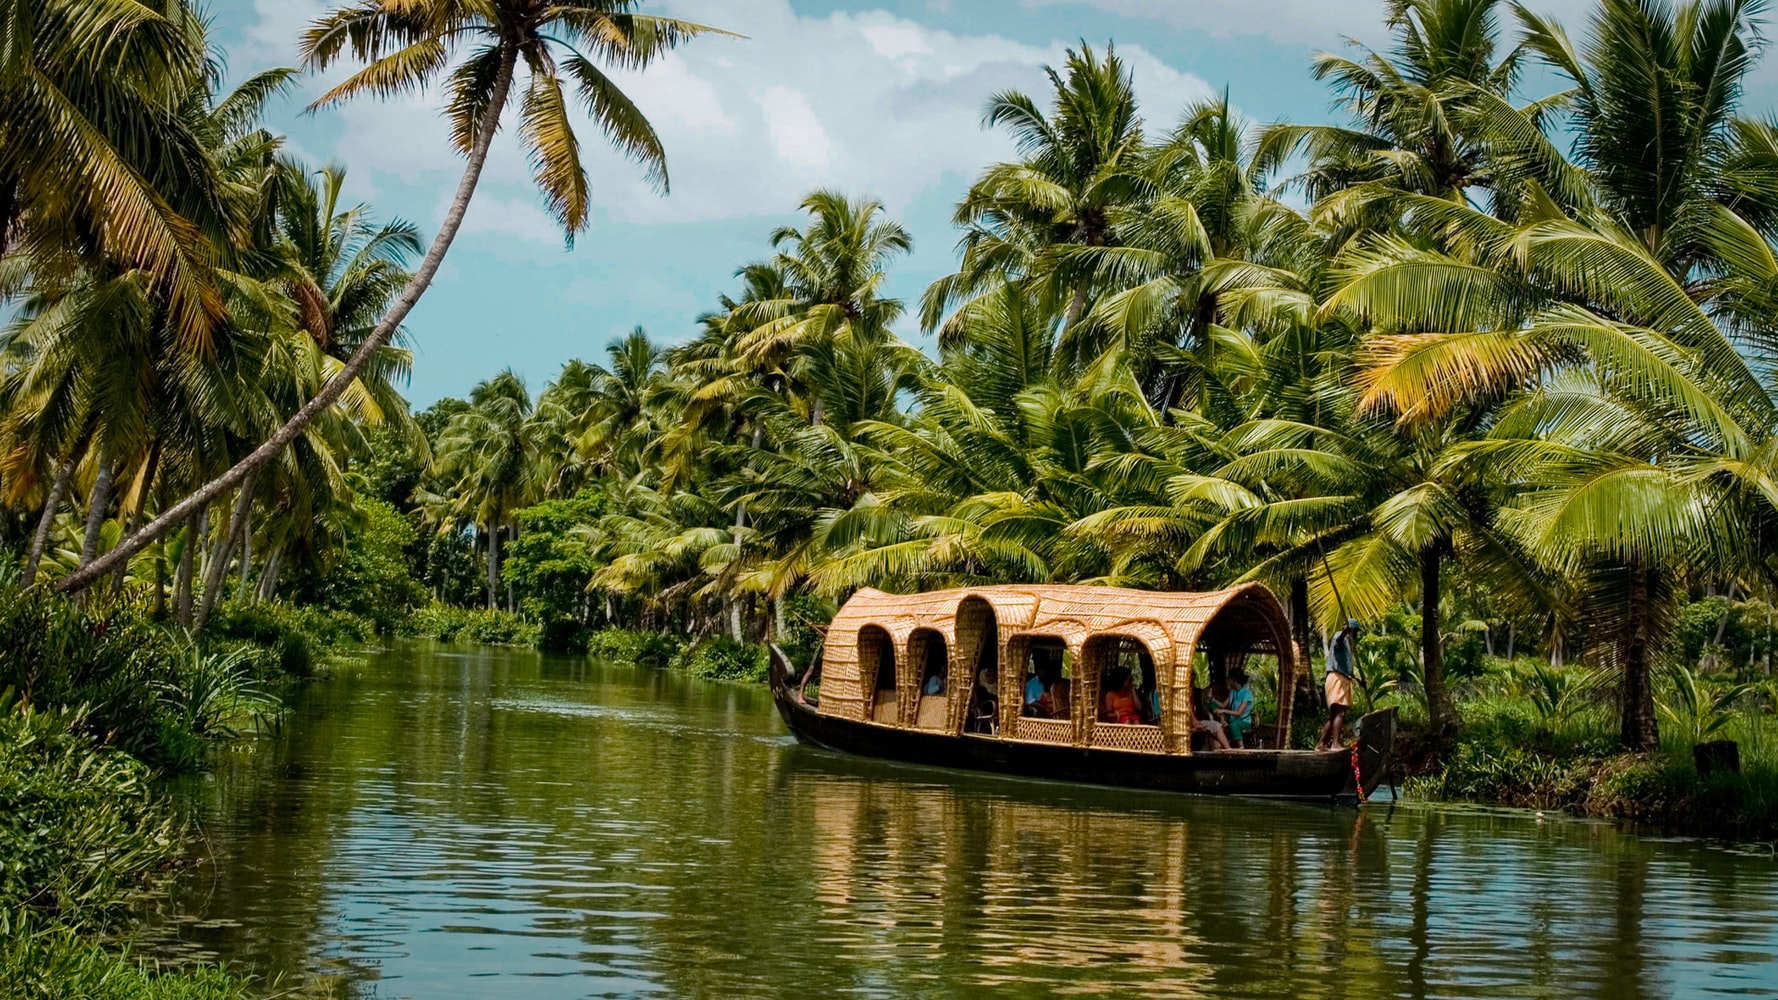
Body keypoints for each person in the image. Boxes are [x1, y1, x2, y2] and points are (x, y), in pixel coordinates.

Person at [1319, 618, 1360, 750]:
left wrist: (1359, 680)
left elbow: (1347, 667)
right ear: (1351, 630)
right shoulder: (1341, 636)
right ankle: (1335, 744)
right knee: (1340, 713)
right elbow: (1338, 642)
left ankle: (1321, 744)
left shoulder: (1349, 644)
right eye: (1356, 632)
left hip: (1340, 678)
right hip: (1337, 678)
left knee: (1334, 715)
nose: (1356, 635)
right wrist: (1344, 632)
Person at [1220, 667, 1255, 748]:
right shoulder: (1232, 692)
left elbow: (1238, 713)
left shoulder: (1246, 693)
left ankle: (1241, 747)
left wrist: (1223, 711)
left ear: (1234, 680)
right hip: (1232, 721)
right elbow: (1223, 705)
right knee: (1220, 726)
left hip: (1244, 723)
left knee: (1234, 725)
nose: (1228, 680)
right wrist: (1212, 699)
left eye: (1229, 678)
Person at [1191, 686, 1233, 751]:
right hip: (1193, 722)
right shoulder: (1205, 703)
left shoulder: (1212, 701)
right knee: (1215, 725)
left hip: (1217, 717)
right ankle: (1227, 749)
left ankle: (1228, 749)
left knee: (1216, 726)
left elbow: (1223, 705)